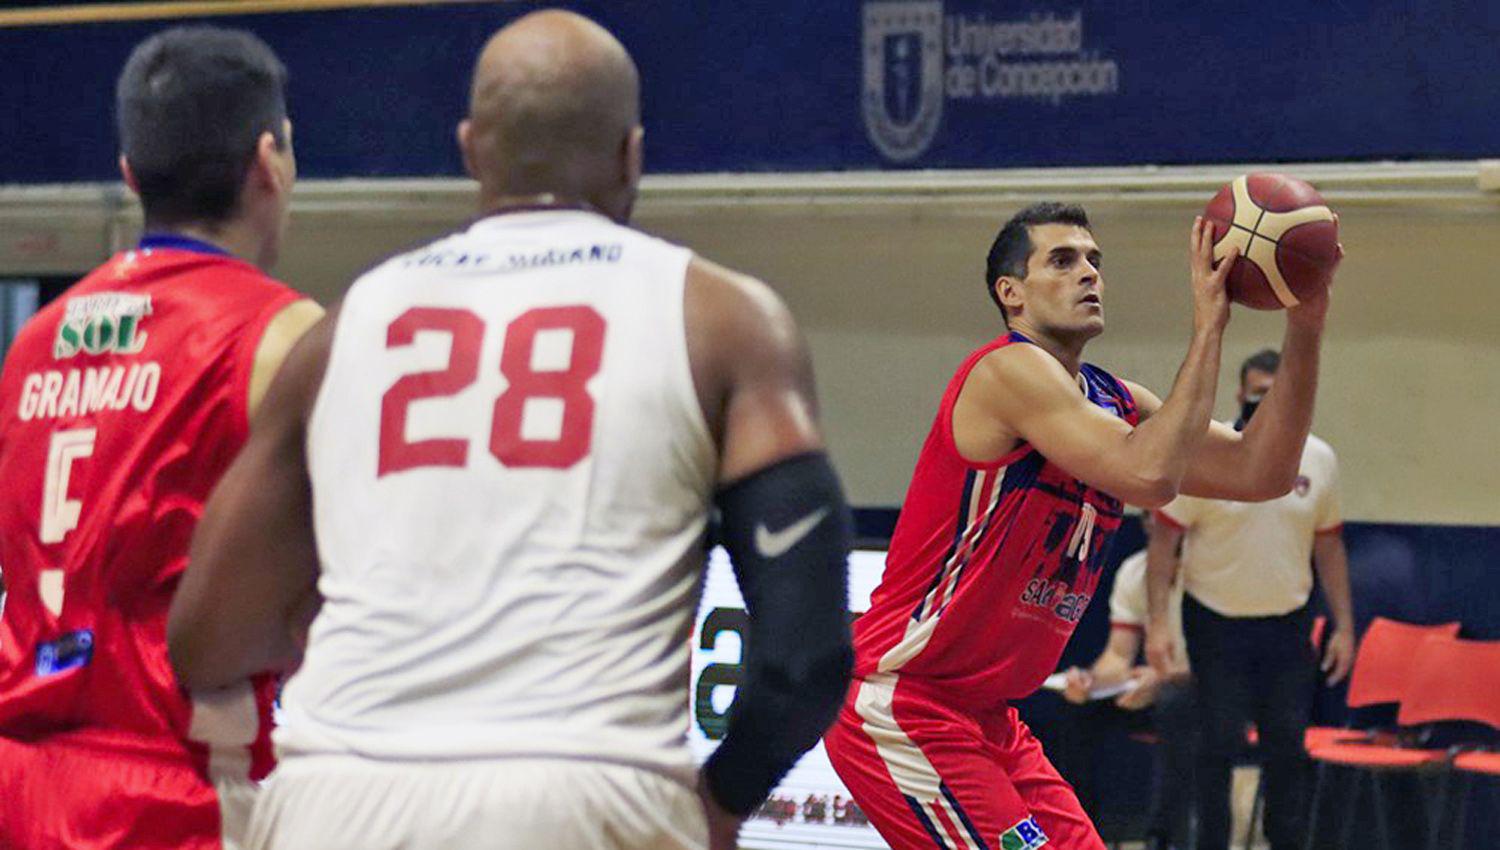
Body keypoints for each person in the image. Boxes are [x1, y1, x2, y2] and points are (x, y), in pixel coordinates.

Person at [165, 11, 853, 850]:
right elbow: (805, 656)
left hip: (337, 794)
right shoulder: (722, 317)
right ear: (632, 153)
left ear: (469, 150)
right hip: (587, 790)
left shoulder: (346, 326)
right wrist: (720, 801)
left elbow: (207, 641)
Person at [822, 201, 1334, 850]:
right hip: (906, 705)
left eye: (1095, 260)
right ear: (1010, 293)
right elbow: (1148, 477)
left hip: (990, 721)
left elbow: (1261, 471)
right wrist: (1209, 326)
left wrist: (1307, 326)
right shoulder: (1006, 371)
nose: (1088, 273)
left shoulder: (1114, 399)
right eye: (1062, 261)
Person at [0, 27, 322, 849]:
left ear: (131, 176)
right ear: (270, 162)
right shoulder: (284, 337)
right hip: (178, 789)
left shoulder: (33, 341)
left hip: (21, 784)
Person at [1144, 348, 1354, 850]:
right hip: (1215, 624)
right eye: (1258, 392)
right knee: (1215, 747)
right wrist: (1156, 625)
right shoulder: (1209, 452)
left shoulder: (1319, 459)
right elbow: (1163, 543)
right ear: (1241, 394)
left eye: (1278, 394)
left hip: (1287, 625)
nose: (1267, 402)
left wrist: (1345, 626)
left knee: (1287, 749)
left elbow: (1329, 546)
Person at [1055, 535, 1193, 850]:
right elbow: (1118, 656)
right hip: (1152, 686)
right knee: (1078, 707)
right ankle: (1079, 832)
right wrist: (1090, 681)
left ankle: (1164, 839)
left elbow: (1223, 664)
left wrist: (1164, 679)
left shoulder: (1211, 570)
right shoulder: (1134, 571)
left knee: (1176, 707)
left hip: (1204, 692)